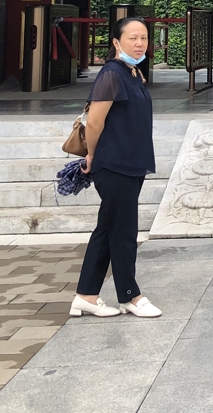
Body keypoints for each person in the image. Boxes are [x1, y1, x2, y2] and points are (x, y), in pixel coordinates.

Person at [71, 17, 161, 319]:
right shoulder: (112, 74)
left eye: (144, 38)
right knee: (123, 231)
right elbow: (94, 122)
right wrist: (92, 156)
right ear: (116, 42)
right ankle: (130, 296)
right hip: (114, 163)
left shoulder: (133, 72)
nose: (139, 43)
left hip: (131, 162)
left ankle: (86, 295)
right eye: (133, 38)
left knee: (107, 229)